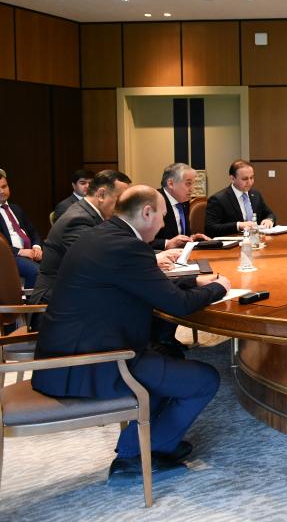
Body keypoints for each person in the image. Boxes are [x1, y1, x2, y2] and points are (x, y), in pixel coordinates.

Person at [31, 185, 230, 485]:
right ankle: (137, 455)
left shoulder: (102, 235)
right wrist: (219, 287)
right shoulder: (127, 247)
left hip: (69, 352)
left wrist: (194, 282)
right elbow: (177, 304)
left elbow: (146, 285)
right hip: (91, 363)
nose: (163, 224)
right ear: (147, 212)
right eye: (162, 216)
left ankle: (148, 444)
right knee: (204, 379)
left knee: (169, 356)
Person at [31, 170, 135, 306]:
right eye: (120, 200)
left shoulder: (92, 214)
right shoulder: (78, 220)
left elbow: (115, 248)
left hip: (79, 291)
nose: (122, 206)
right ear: (101, 194)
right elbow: (96, 263)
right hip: (55, 301)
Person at [204, 159, 276, 237]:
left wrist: (269, 220)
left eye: (251, 178)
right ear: (232, 179)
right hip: (234, 241)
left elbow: (269, 214)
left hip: (256, 239)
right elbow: (210, 228)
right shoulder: (218, 199)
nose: (249, 182)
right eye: (245, 179)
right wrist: (238, 225)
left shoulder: (255, 194)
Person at [0, 168, 43, 288]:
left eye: (4, 186)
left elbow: (33, 231)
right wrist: (20, 251)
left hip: (30, 252)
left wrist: (37, 247)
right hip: (9, 256)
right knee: (36, 271)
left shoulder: (16, 208)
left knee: (58, 264)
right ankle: (29, 300)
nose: (2, 191)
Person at [152, 163, 209, 250]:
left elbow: (178, 236)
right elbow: (140, 239)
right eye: (188, 183)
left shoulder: (184, 201)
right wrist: (167, 243)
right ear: (171, 184)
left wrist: (191, 238)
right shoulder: (153, 201)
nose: (192, 189)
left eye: (193, 184)